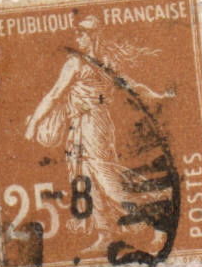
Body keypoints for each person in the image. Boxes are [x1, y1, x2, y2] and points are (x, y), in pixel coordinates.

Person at [24, 15, 173, 254]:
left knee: (109, 183)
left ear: (93, 35)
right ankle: (105, 233)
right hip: (79, 125)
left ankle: (159, 217)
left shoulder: (85, 63)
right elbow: (56, 94)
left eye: (82, 33)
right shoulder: (87, 61)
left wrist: (33, 123)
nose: (77, 37)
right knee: (87, 181)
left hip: (93, 125)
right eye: (77, 32)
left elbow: (130, 86)